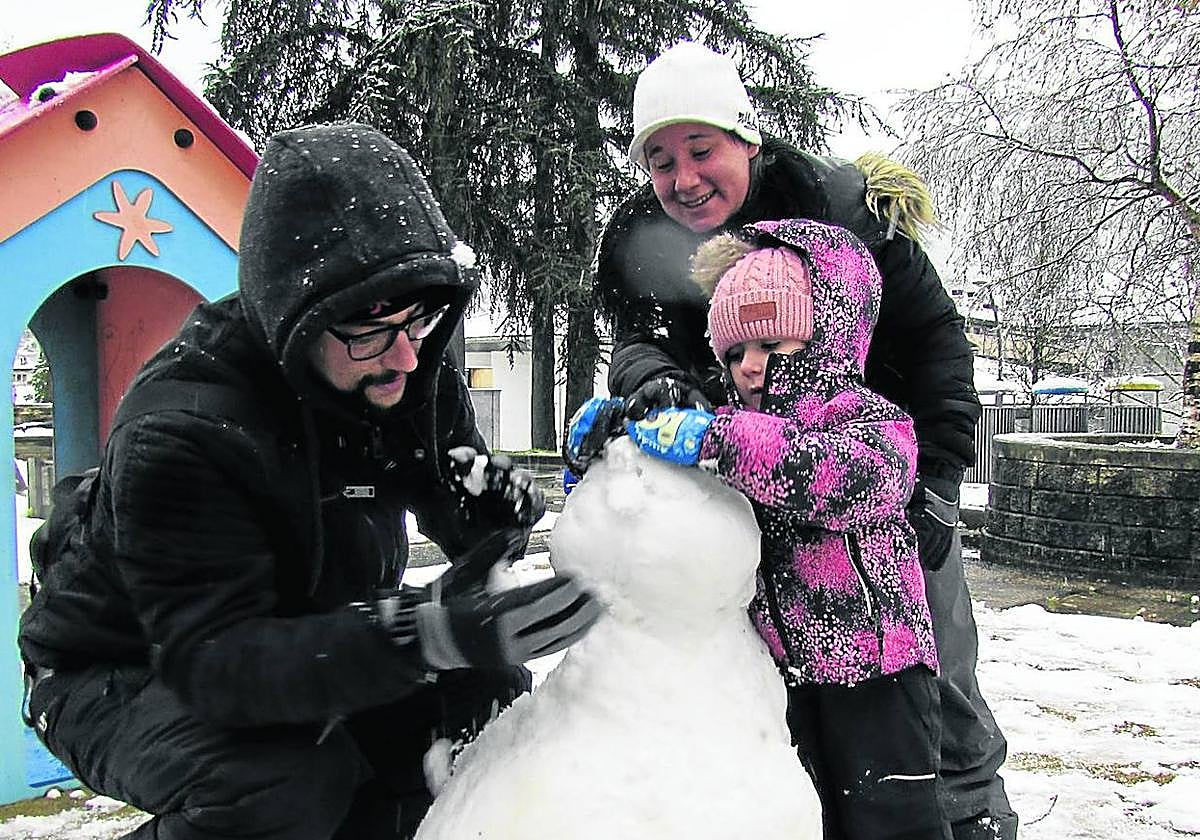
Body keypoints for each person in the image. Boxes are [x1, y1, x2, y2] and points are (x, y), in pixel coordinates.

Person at [19, 122, 601, 840]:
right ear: (295, 318)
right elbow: (219, 667)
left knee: (476, 701)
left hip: (309, 620)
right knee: (282, 783)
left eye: (418, 318)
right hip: (125, 665)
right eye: (367, 329)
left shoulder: (403, 361)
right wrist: (424, 636)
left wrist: (489, 519)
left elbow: (450, 511)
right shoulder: (185, 430)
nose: (405, 358)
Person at [594, 41, 1016, 840]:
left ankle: (974, 819)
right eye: (659, 160)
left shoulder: (838, 210)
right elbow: (640, 341)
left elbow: (936, 345)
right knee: (802, 714)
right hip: (768, 496)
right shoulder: (649, 244)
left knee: (937, 689)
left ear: (746, 139)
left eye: (701, 149)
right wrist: (653, 390)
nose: (683, 178)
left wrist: (933, 480)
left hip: (882, 474)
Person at [690, 218, 947, 840]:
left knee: (894, 825)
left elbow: (832, 478)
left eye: (773, 346)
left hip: (881, 680)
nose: (751, 367)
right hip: (789, 679)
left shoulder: (867, 420)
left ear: (829, 333)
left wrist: (720, 440)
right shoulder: (731, 426)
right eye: (733, 353)